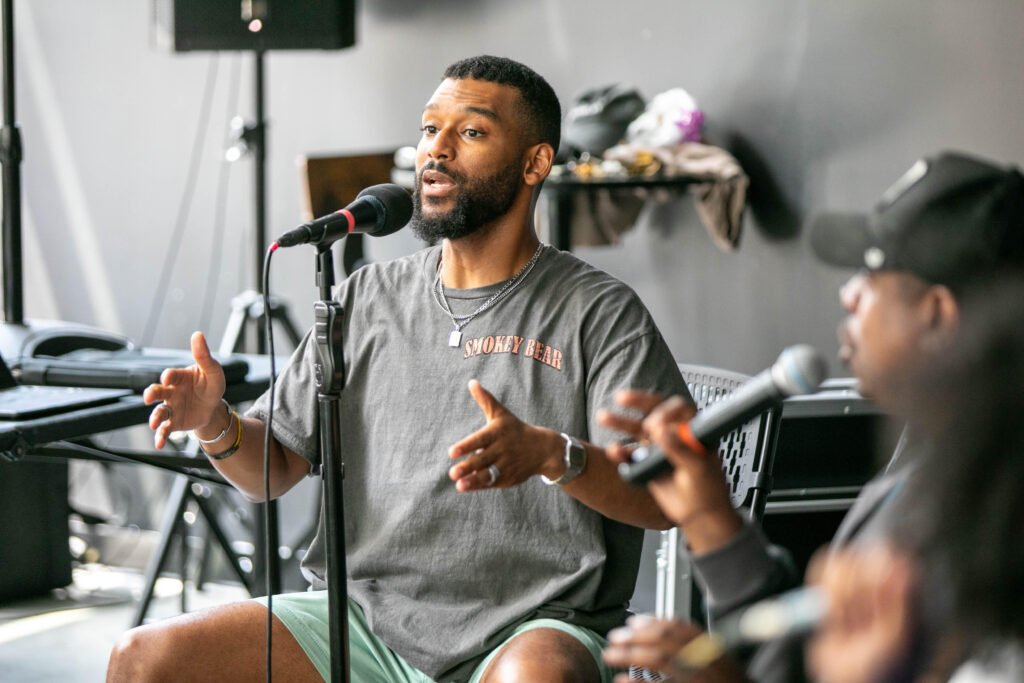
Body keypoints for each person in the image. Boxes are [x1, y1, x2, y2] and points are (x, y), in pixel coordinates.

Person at [106, 55, 690, 683]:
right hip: (362, 619)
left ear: (534, 164)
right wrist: (214, 422)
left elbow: (664, 499)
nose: (435, 151)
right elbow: (270, 471)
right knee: (143, 660)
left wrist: (554, 456)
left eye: (469, 133)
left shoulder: (599, 312)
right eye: (428, 130)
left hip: (533, 624)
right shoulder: (365, 298)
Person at [599, 151, 1024, 682]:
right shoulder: (940, 452)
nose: (848, 294)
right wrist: (711, 521)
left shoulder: (987, 518)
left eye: (871, 275)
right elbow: (808, 664)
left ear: (936, 316)